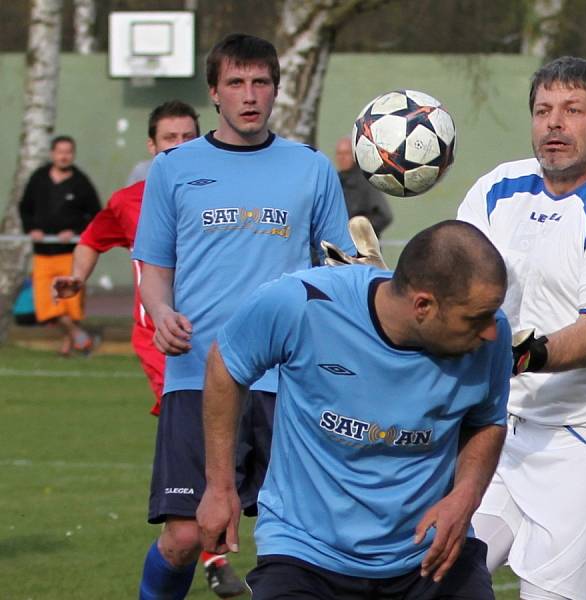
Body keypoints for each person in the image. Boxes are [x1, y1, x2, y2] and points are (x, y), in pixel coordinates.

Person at [131, 33, 355, 600]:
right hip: (198, 373)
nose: (249, 95)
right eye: (236, 83)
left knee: (298, 536)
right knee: (187, 535)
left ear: (276, 90)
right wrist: (160, 311)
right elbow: (155, 266)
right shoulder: (174, 168)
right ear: (214, 92)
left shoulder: (310, 168)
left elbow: (338, 270)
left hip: (290, 379)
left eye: (260, 82)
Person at [197, 220, 512, 600]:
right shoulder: (303, 302)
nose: (490, 332)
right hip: (306, 554)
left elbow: (486, 421)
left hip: (429, 556)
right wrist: (219, 486)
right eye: (475, 319)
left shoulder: (492, 334)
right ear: (423, 306)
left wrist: (466, 495)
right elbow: (227, 363)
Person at [457, 56, 586, 600]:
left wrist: (516, 355)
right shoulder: (496, 189)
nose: (554, 123)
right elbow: (451, 288)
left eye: (573, 110)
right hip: (503, 425)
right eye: (543, 110)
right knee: (439, 569)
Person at [52, 100, 200, 417]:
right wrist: (77, 277)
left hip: (216, 329)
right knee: (186, 420)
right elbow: (91, 240)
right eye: (170, 138)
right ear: (152, 145)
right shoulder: (127, 202)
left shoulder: (224, 198)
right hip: (158, 338)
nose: (180, 146)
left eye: (189, 137)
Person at [19, 135, 101, 356]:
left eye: (68, 152)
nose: (64, 156)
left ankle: (67, 345)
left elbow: (95, 214)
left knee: (69, 304)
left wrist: (74, 231)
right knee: (47, 306)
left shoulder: (81, 182)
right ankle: (80, 336)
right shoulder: (38, 179)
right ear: (52, 154)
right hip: (43, 253)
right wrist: (31, 229)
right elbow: (24, 208)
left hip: (69, 253)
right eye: (60, 152)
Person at [334, 135, 394, 237]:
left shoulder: (366, 181)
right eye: (339, 154)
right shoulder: (335, 181)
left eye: (346, 153)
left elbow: (384, 216)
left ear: (354, 155)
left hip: (362, 246)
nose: (342, 158)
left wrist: (357, 229)